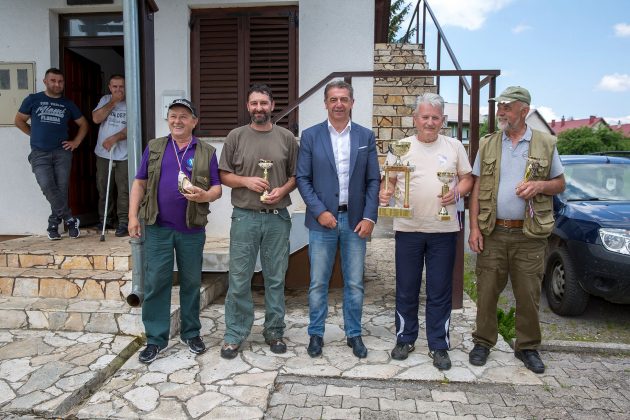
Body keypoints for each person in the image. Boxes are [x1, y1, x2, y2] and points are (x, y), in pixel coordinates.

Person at [467, 86, 565, 374]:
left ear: (524, 110)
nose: (500, 112)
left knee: (528, 294)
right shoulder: (488, 144)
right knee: (486, 291)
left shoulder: (545, 143)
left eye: (506, 107)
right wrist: (474, 228)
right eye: (499, 107)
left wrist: (540, 185)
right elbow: (476, 188)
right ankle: (483, 342)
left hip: (530, 235)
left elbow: (560, 184)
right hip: (493, 232)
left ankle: (527, 347)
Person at [378, 93, 473, 370]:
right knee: (406, 288)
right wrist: (386, 193)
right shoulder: (401, 147)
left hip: (444, 230)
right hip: (408, 229)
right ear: (415, 119)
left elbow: (467, 179)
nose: (429, 122)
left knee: (439, 290)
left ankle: (438, 344)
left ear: (443, 120)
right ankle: (405, 338)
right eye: (425, 117)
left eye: (435, 117)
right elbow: (389, 181)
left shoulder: (455, 146)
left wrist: (457, 192)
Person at [128, 99, 222, 364]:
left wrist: (204, 196)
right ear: (168, 119)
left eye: (183, 116)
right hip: (158, 227)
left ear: (194, 121)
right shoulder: (155, 147)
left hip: (191, 229)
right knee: (157, 281)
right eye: (173, 116)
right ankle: (155, 339)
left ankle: (191, 333)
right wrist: (133, 216)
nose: (177, 121)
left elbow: (217, 188)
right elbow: (140, 182)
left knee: (191, 282)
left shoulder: (206, 151)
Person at [296, 80, 380, 359]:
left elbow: (373, 180)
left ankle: (354, 334)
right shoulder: (311, 136)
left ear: (352, 102)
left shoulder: (365, 136)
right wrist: (319, 211)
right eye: (333, 99)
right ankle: (316, 333)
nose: (339, 104)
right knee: (318, 282)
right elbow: (303, 178)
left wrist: (369, 216)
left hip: (356, 221)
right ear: (326, 103)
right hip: (322, 221)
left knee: (354, 283)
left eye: (344, 99)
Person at [219, 84, 298, 359]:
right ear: (247, 106)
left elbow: (295, 176)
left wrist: (282, 191)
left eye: (264, 103)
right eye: (254, 103)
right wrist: (245, 181)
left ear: (272, 106)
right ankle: (234, 334)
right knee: (239, 277)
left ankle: (274, 331)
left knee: (275, 278)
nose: (259, 108)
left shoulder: (286, 138)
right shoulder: (236, 136)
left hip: (277, 218)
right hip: (245, 217)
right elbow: (223, 174)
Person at [15, 67, 89, 240]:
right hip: (39, 153)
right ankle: (70, 219)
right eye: (53, 81)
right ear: (45, 81)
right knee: (47, 185)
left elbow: (84, 124)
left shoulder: (68, 104)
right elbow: (19, 121)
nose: (57, 84)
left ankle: (53, 224)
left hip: (62, 152)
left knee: (61, 189)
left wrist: (76, 142)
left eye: (60, 81)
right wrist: (33, 134)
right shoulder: (33, 99)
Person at [92, 74, 129, 237]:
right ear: (109, 87)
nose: (118, 90)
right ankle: (105, 219)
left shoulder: (131, 101)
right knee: (104, 187)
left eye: (121, 86)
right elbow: (96, 118)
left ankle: (124, 222)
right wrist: (113, 102)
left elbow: (133, 126)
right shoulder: (105, 99)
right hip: (103, 153)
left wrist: (116, 137)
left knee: (123, 189)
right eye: (115, 87)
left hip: (124, 154)